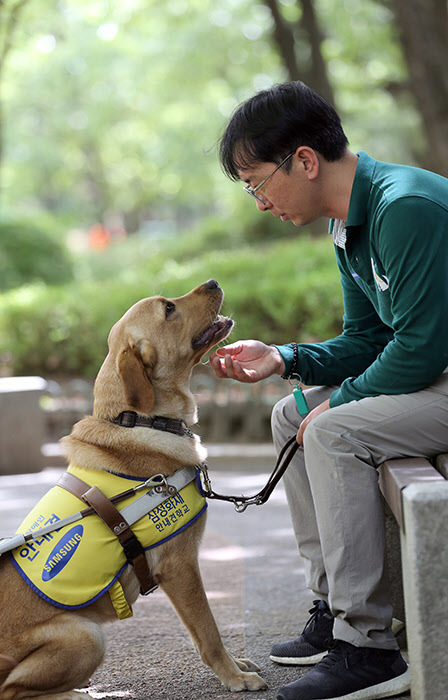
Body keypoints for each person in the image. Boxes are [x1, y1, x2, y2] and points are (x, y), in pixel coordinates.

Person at [209, 81, 448, 700]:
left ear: (305, 161)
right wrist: (284, 358)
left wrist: (339, 404)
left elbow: (421, 348)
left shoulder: (406, 207)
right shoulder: (349, 223)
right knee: (292, 417)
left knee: (336, 430)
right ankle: (335, 607)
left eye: (256, 181)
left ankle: (367, 647)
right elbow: (369, 339)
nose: (259, 202)